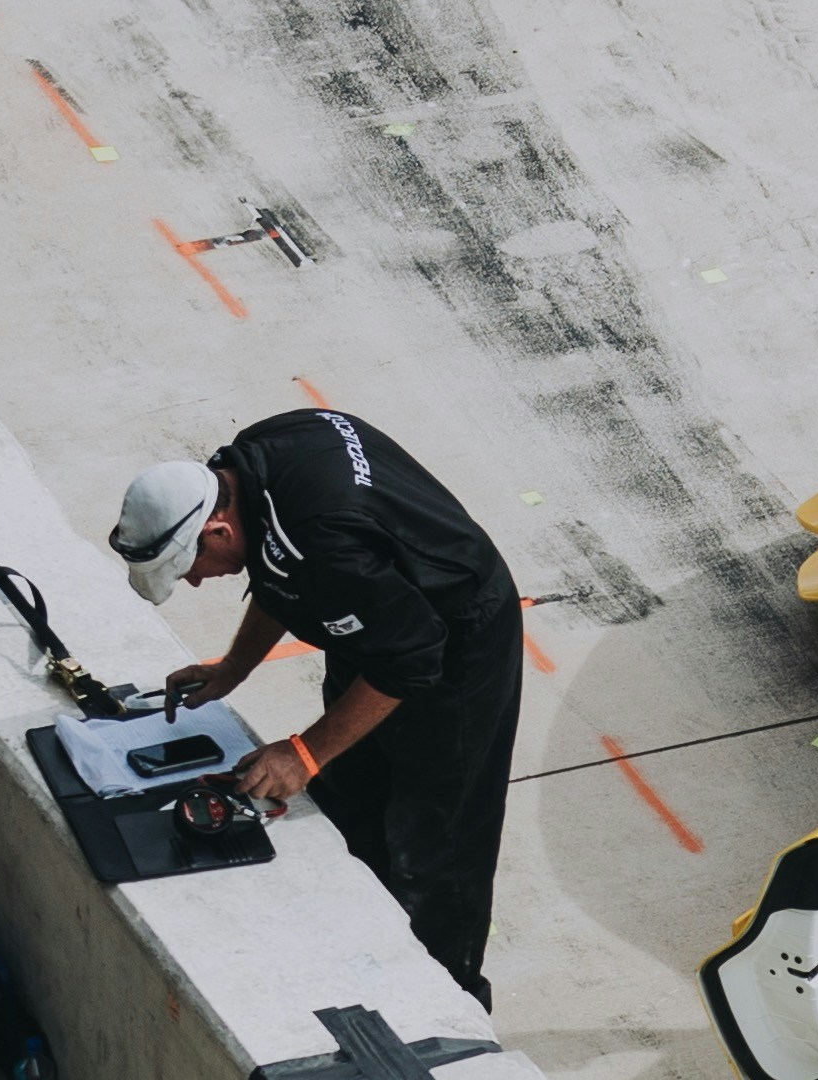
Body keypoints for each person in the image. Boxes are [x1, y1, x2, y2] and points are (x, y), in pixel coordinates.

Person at [106, 411, 523, 1009]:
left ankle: (447, 1003)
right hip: (381, 619)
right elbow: (284, 576)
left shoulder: (322, 540)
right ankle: (360, 953)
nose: (197, 583)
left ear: (218, 530)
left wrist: (303, 753)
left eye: (187, 568)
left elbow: (409, 658)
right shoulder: (252, 464)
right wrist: (235, 667)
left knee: (436, 841)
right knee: (352, 801)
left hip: (455, 641)